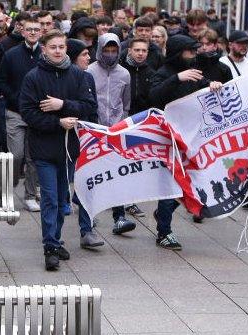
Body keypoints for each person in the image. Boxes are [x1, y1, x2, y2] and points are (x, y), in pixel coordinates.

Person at [20, 30, 101, 271]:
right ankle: (50, 247)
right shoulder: (33, 77)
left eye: (61, 47)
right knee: (50, 200)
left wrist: (61, 105)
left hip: (68, 149)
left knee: (62, 199)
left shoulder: (78, 75)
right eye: (52, 47)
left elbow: (89, 108)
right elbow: (28, 112)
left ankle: (55, 238)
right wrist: (58, 122)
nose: (57, 51)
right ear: (43, 49)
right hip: (44, 149)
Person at [146, 34, 219, 249]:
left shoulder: (194, 73)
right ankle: (164, 232)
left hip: (191, 138)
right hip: (168, 139)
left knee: (191, 182)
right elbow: (154, 96)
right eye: (190, 51)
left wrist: (213, 85)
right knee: (172, 185)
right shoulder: (164, 73)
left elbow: (205, 86)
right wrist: (177, 78)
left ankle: (163, 213)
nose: (194, 56)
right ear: (179, 53)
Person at [88, 32, 136, 236]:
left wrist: (121, 123)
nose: (110, 54)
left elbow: (126, 102)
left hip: (116, 129)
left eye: (113, 50)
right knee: (92, 176)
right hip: (94, 128)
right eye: (106, 50)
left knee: (117, 174)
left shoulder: (124, 74)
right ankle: (88, 216)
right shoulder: (89, 71)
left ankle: (120, 217)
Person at [0, 14, 42, 212]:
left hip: (38, 113)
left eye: (36, 29)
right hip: (15, 111)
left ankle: (30, 195)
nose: (32, 33)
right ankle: (11, 183)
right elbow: (1, 81)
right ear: (22, 31)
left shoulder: (45, 54)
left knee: (33, 157)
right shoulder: (11, 54)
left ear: (41, 32)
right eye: (29, 29)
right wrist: (15, 98)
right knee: (16, 155)